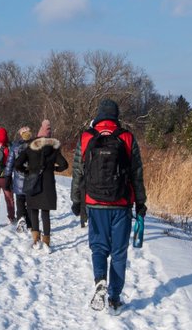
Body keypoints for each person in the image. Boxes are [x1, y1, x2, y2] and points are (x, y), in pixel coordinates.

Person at [70, 100, 146, 313]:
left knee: (98, 246)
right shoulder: (127, 137)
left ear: (98, 116)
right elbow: (137, 174)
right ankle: (114, 297)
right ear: (116, 116)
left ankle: (100, 279)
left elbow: (78, 172)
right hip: (121, 203)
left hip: (94, 203)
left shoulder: (86, 138)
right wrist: (140, 203)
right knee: (119, 252)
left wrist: (77, 200)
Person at [14, 119, 68, 250]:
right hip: (48, 185)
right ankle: (47, 242)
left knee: (33, 210)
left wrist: (27, 171)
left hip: (33, 182)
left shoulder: (30, 147)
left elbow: (17, 164)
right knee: (45, 213)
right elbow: (64, 165)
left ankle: (36, 240)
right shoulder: (54, 149)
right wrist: (54, 169)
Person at [8, 125, 33, 231]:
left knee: (19, 200)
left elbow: (10, 162)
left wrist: (7, 176)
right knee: (30, 201)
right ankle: (30, 223)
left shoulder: (15, 146)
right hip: (31, 178)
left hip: (18, 179)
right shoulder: (35, 145)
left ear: (21, 135)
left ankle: (21, 218)